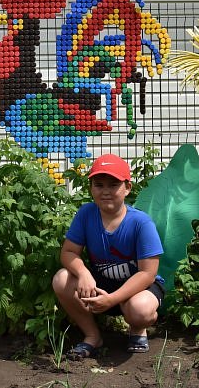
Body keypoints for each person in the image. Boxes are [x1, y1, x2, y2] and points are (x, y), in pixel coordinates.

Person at [52, 153, 165, 359]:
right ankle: (93, 336)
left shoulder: (141, 223)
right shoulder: (86, 214)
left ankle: (137, 329)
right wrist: (83, 273)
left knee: (140, 309)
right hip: (101, 283)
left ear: (127, 188)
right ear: (91, 188)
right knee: (61, 279)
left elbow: (148, 274)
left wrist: (112, 299)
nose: (105, 191)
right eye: (99, 185)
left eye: (113, 185)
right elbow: (68, 252)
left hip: (138, 288)